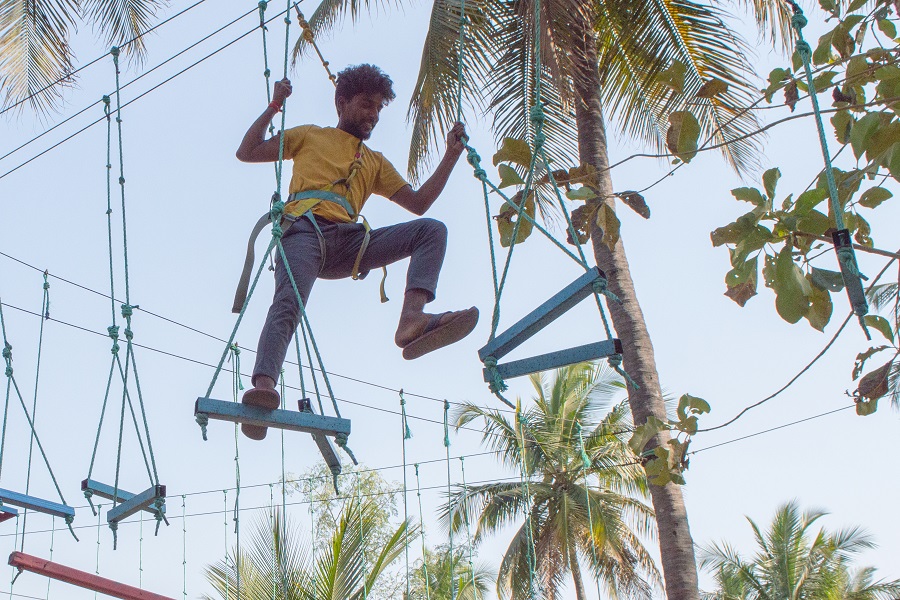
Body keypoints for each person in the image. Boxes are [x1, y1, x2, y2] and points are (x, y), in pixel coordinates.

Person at [234, 64, 477, 440]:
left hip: (349, 242)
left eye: (379, 108)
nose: (373, 115)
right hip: (303, 230)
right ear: (341, 102)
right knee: (288, 303)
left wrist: (450, 156)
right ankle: (263, 387)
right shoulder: (309, 136)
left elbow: (419, 203)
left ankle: (411, 320)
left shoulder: (374, 161)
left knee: (431, 231)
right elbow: (247, 152)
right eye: (366, 104)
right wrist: (273, 107)